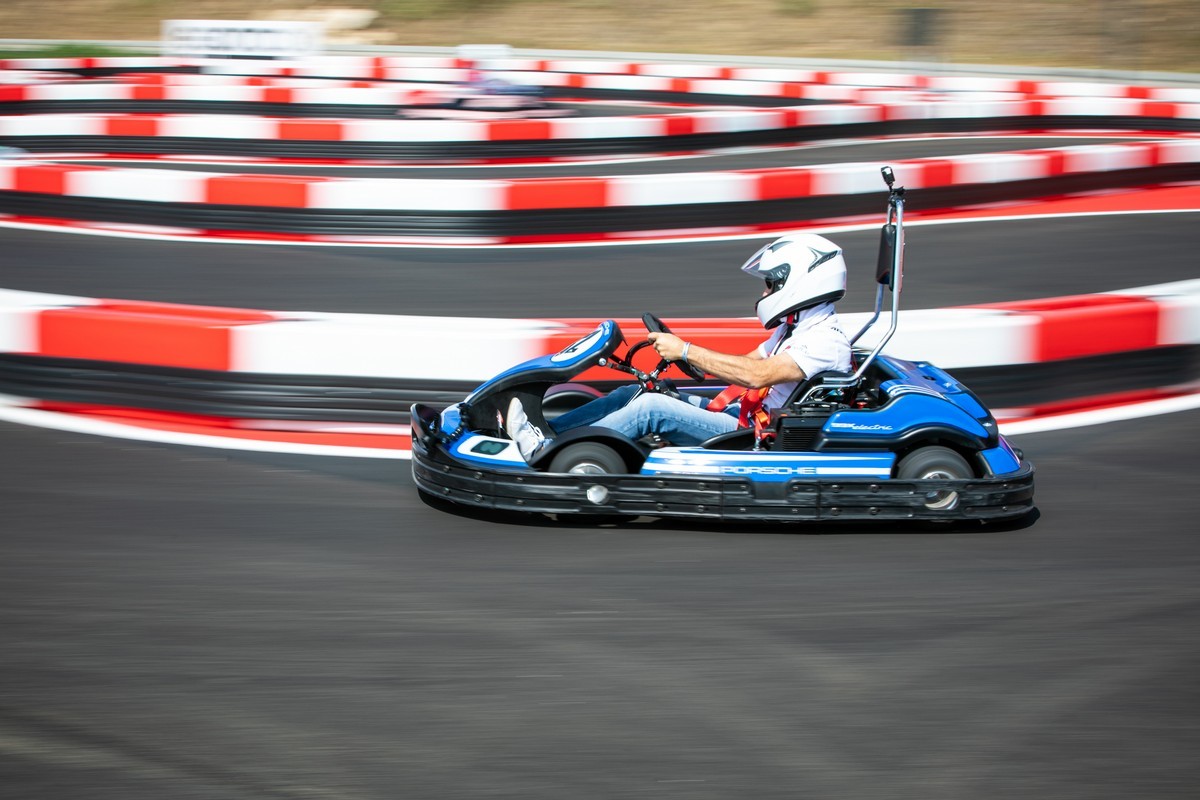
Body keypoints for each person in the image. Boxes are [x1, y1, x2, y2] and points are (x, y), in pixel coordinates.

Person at [506, 232, 854, 460]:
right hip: (745, 415)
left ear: (800, 283)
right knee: (634, 394)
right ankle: (549, 435)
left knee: (652, 410)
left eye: (769, 285)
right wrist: (688, 367)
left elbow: (757, 375)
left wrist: (685, 350)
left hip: (759, 437)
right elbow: (742, 363)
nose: (765, 293)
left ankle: (552, 455)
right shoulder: (797, 328)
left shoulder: (824, 341)